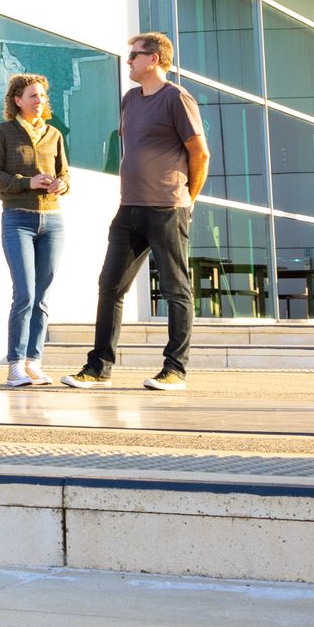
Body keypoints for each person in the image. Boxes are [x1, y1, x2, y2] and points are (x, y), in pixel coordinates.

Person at [67, 33, 206, 392]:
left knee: (176, 289)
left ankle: (175, 369)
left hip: (167, 207)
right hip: (129, 208)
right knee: (109, 286)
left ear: (154, 59)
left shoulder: (177, 98)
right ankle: (98, 368)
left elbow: (199, 153)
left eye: (134, 56)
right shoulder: (130, 99)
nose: (128, 61)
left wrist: (188, 198)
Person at [0, 72, 71, 386]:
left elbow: (65, 175)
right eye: (33, 96)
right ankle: (15, 365)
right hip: (17, 220)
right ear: (17, 100)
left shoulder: (54, 135)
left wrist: (62, 185)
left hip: (53, 222)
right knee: (25, 293)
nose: (40, 101)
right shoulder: (3, 133)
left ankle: (34, 361)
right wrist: (26, 183)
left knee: (43, 297)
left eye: (43, 96)